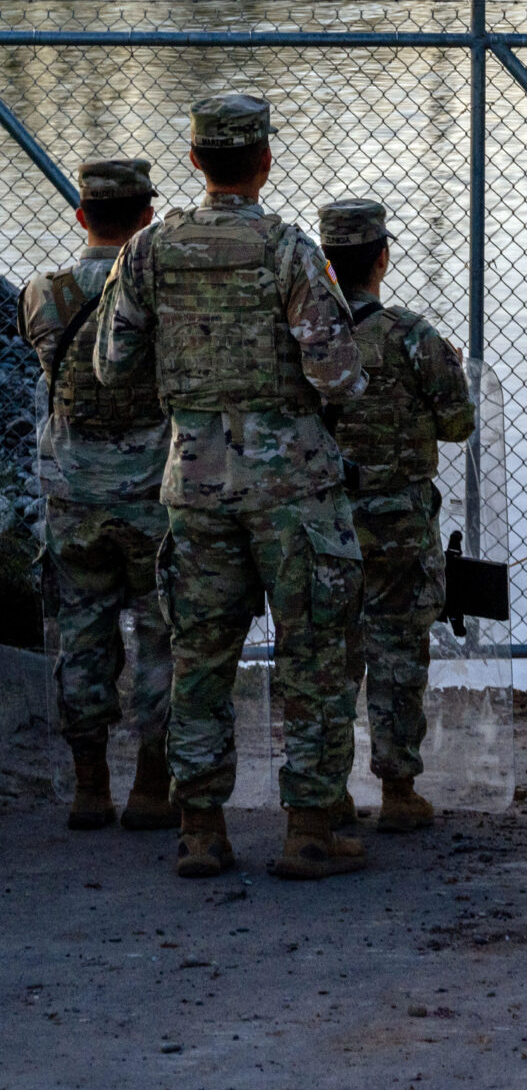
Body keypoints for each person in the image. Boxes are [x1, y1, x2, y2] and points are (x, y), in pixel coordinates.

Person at [93, 94, 368, 881]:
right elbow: (339, 375)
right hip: (292, 487)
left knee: (199, 655)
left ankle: (202, 830)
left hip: (194, 480)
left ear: (193, 161)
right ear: (266, 162)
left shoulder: (147, 251)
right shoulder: (288, 249)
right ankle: (309, 830)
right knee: (311, 655)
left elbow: (112, 367)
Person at [21, 158, 174, 834]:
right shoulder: (165, 297)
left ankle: (90, 787)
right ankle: (151, 784)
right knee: (163, 637)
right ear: (148, 217)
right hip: (155, 496)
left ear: (81, 216)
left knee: (82, 637)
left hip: (75, 495)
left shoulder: (42, 295)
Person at [317, 198, 476, 834]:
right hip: (401, 524)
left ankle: (325, 790)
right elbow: (458, 423)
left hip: (325, 521)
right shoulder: (414, 337)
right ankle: (399, 789)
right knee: (399, 649)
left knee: (328, 652)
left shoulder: (307, 339)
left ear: (327, 267)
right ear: (383, 258)